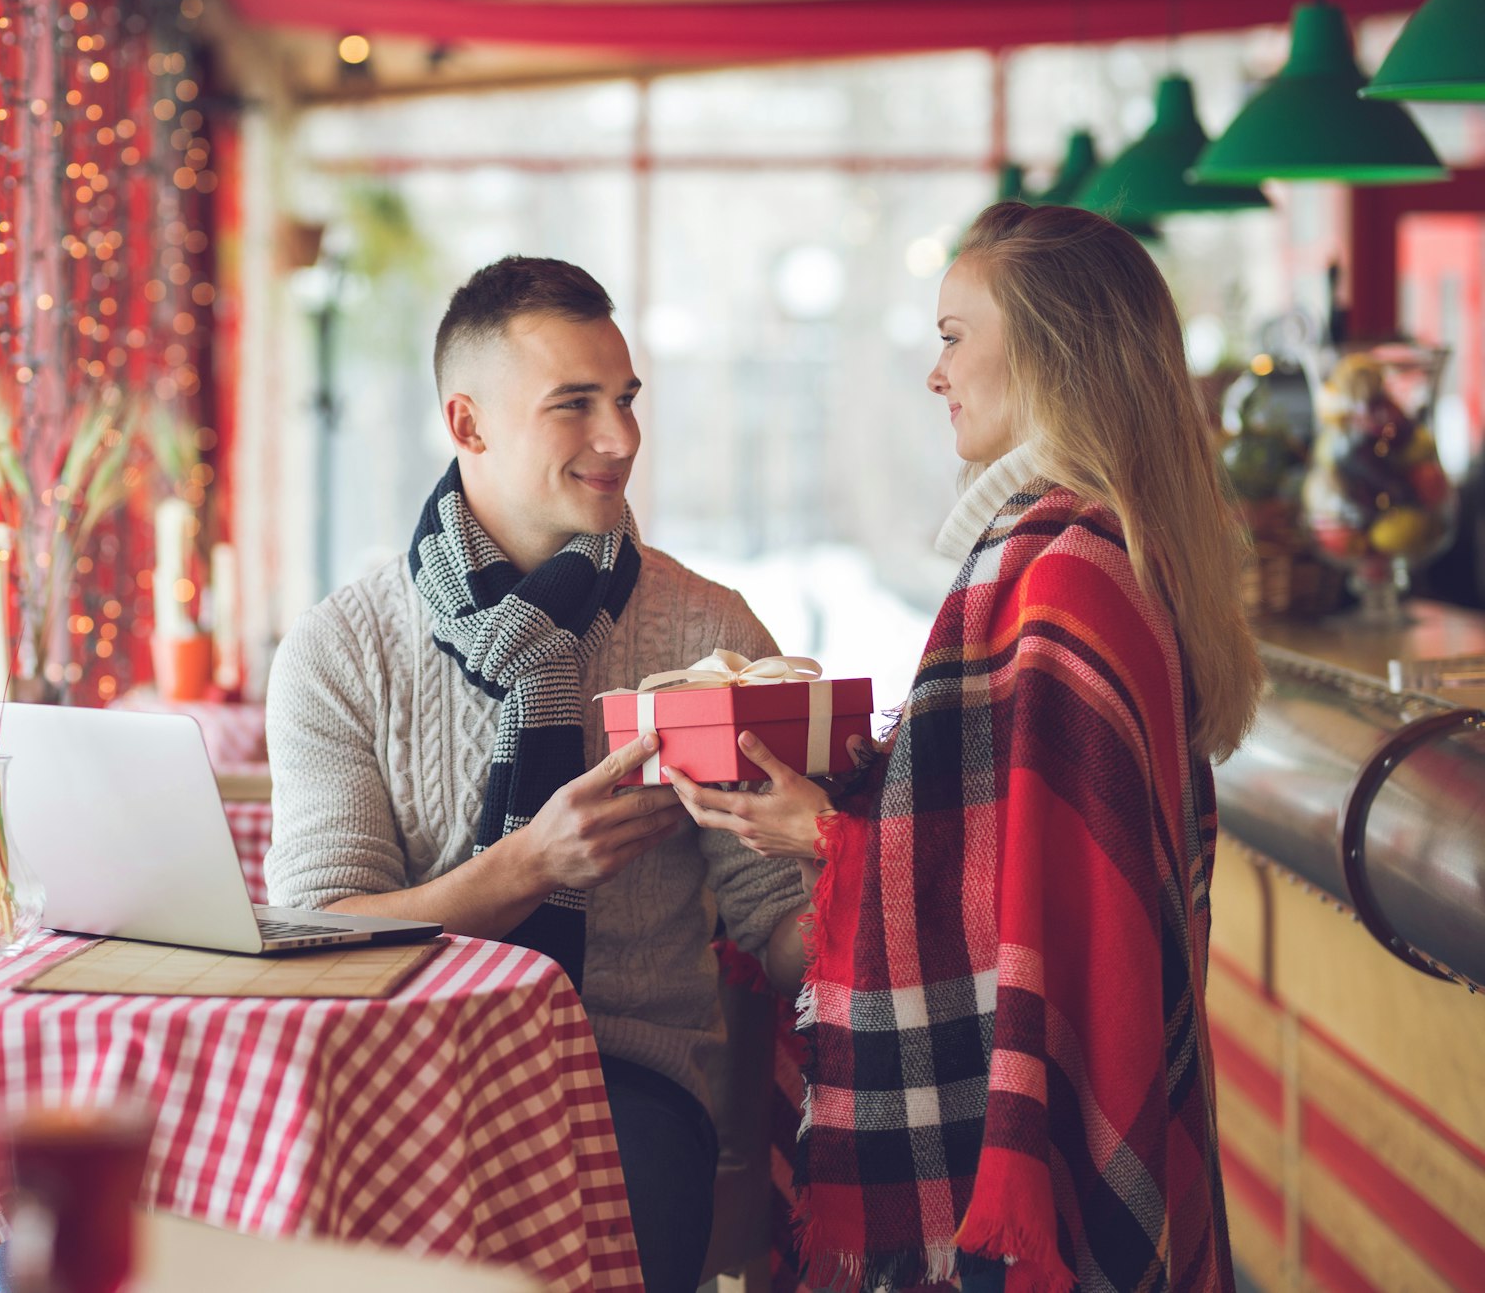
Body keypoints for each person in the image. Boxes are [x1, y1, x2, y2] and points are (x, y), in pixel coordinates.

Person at [665, 202, 1262, 1293]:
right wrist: (858, 779)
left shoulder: (1062, 567)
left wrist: (825, 833)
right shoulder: (1080, 543)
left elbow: (1019, 897)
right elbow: (1011, 843)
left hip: (1026, 1139)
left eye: (951, 335)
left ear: (1046, 348)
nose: (933, 373)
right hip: (1076, 1094)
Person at [265, 256, 812, 1293]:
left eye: (625, 399)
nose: (620, 438)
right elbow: (316, 935)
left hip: (627, 1081)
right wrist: (525, 866)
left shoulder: (711, 632)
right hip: (391, 1061)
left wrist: (852, 857)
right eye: (574, 405)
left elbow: (777, 927)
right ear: (466, 425)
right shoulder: (341, 647)